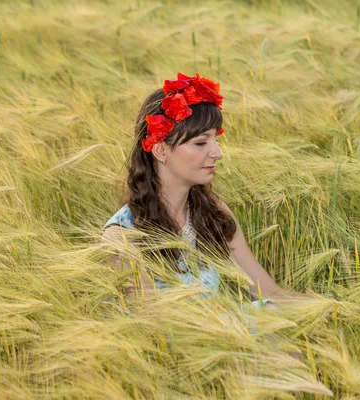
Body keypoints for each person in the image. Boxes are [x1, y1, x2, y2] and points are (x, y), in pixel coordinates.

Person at [102, 72, 307, 306]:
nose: (217, 153)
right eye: (201, 142)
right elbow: (153, 326)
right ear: (160, 150)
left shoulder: (214, 214)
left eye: (215, 140)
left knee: (271, 311)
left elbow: (269, 292)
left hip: (222, 332)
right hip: (175, 338)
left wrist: (337, 308)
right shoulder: (125, 235)